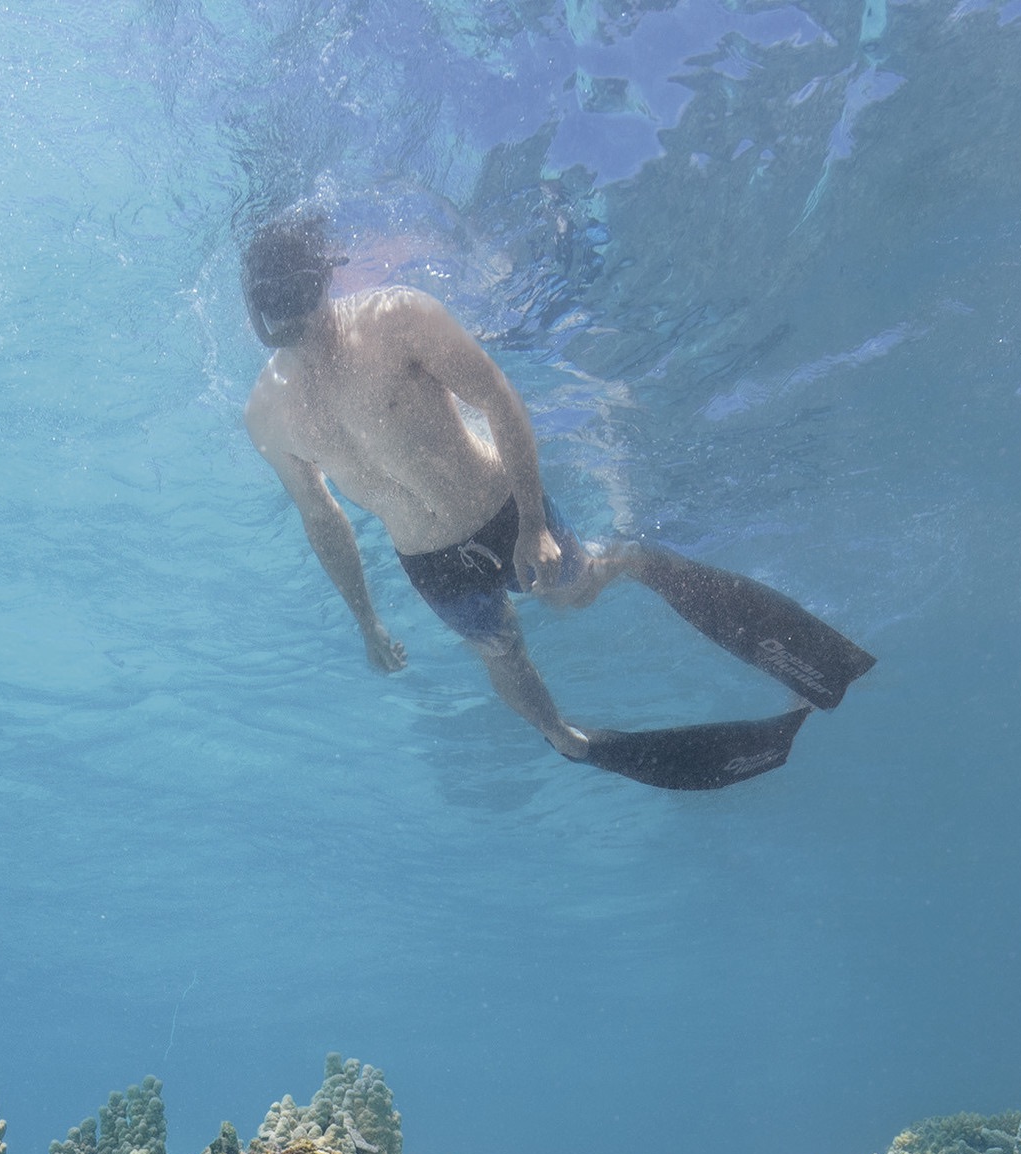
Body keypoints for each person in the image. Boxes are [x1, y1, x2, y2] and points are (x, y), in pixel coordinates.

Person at [238, 212, 876, 791]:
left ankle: (629, 560)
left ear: (323, 278)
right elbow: (322, 517)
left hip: (505, 511)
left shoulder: (398, 318)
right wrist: (366, 621)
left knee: (578, 590)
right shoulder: (267, 414)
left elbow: (498, 399)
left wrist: (534, 525)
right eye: (276, 307)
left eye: (298, 299)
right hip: (429, 564)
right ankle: (562, 736)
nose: (292, 319)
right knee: (499, 649)